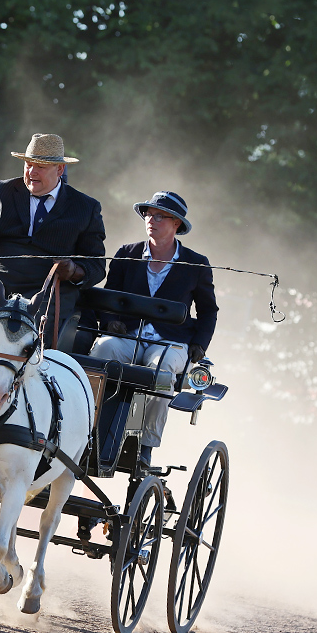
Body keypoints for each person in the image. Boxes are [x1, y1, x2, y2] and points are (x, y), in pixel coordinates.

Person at [89, 191, 218, 469]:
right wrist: (109, 321)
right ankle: (89, 427)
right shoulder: (127, 254)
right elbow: (108, 296)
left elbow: (208, 311)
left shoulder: (196, 264)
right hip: (128, 336)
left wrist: (199, 344)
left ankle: (144, 445)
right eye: (148, 214)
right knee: (102, 350)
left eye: (160, 216)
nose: (151, 220)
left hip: (171, 342)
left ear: (176, 224)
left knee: (161, 372)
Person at [0, 133, 106, 326]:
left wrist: (74, 270)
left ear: (59, 169)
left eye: (41, 166)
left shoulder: (86, 208)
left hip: (47, 291)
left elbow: (96, 265)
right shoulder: (0, 191)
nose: (32, 172)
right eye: (28, 165)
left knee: (32, 336)